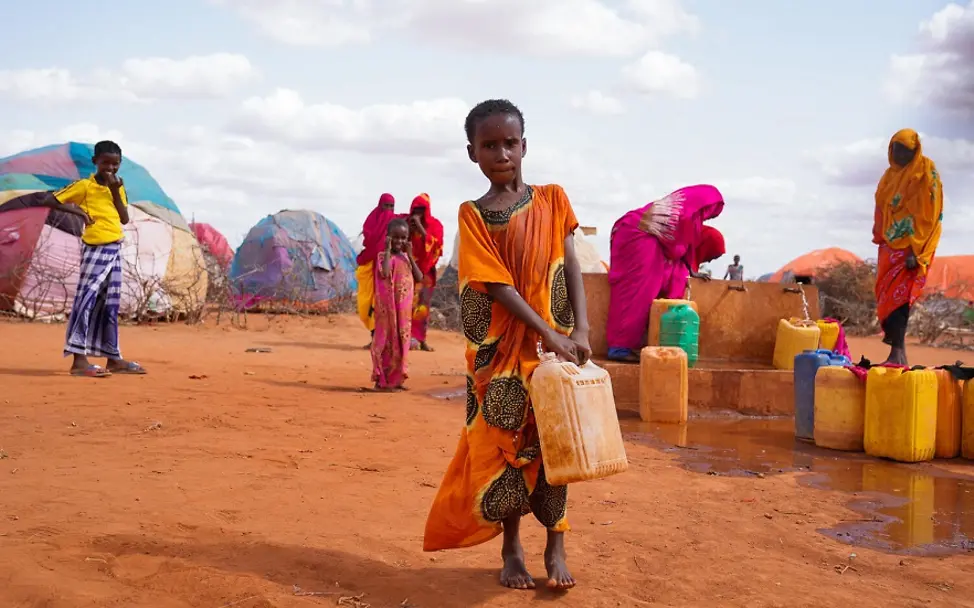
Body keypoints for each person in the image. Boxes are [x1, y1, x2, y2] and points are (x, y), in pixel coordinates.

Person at [423, 99, 589, 591]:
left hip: (555, 345)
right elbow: (495, 285)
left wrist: (579, 328)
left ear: (525, 146)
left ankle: (555, 544)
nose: (501, 153)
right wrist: (549, 333)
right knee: (505, 443)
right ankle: (512, 547)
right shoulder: (473, 215)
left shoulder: (554, 199)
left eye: (510, 143)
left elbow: (571, 263)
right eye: (489, 145)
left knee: (557, 441)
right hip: (501, 352)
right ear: (472, 153)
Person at [43, 140, 146, 377]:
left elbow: (124, 218)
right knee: (86, 300)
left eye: (115, 163)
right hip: (95, 248)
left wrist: (113, 190)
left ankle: (113, 357)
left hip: (114, 247)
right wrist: (78, 211)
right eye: (105, 162)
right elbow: (49, 200)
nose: (110, 168)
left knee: (110, 304)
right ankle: (79, 361)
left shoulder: (118, 186)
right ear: (95, 162)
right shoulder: (84, 186)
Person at [605, 186, 726, 363]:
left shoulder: (683, 211)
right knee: (637, 292)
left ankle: (624, 345)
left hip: (635, 232)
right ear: (706, 206)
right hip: (637, 236)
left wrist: (690, 269)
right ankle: (620, 348)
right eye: (713, 213)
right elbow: (675, 249)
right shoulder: (682, 215)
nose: (711, 218)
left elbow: (681, 245)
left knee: (642, 290)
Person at [873, 128, 943, 366]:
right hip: (889, 246)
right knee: (886, 296)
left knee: (900, 299)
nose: (900, 154)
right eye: (896, 148)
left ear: (915, 151)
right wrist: (879, 234)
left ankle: (897, 353)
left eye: (906, 150)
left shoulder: (925, 172)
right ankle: (898, 353)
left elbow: (928, 214)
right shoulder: (889, 176)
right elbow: (881, 205)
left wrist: (915, 249)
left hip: (911, 249)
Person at [371, 218, 422, 391]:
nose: (399, 241)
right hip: (387, 309)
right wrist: (386, 250)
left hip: (404, 311)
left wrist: (411, 256)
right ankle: (382, 379)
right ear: (388, 237)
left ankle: (397, 379)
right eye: (395, 237)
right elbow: (385, 272)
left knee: (401, 341)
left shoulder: (406, 258)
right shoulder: (382, 257)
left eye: (403, 237)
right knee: (385, 341)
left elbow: (419, 277)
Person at [356, 193, 397, 348]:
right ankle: (375, 338)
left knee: (382, 305)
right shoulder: (371, 221)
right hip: (369, 265)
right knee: (366, 303)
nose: (388, 210)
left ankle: (379, 340)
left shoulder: (396, 222)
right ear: (380, 205)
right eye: (386, 206)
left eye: (391, 206)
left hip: (387, 269)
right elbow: (367, 238)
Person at [407, 193, 444, 352]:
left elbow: (437, 247)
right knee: (407, 305)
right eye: (416, 209)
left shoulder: (435, 225)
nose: (419, 213)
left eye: (422, 209)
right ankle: (407, 337)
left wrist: (421, 229)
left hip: (426, 273)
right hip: (408, 271)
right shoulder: (406, 223)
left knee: (423, 308)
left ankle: (420, 338)